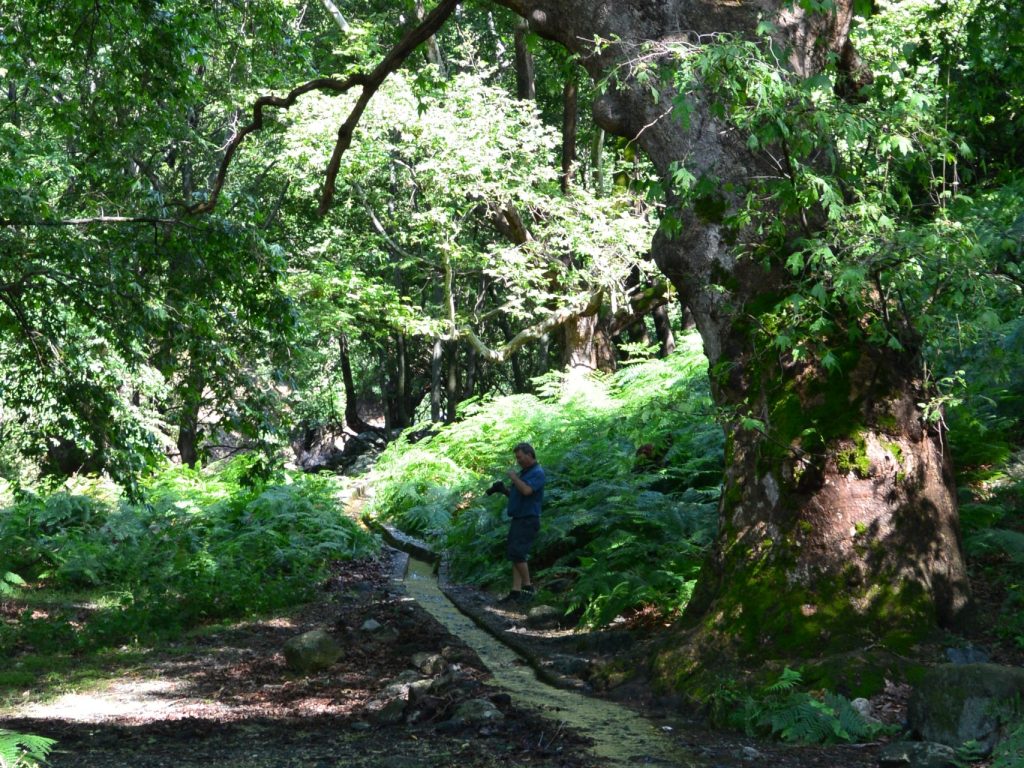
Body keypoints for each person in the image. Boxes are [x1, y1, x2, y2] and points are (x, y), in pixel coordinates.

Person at [493, 442, 545, 605]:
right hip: (519, 518)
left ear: (529, 455)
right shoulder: (525, 472)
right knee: (514, 554)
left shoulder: (537, 472)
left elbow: (527, 491)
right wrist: (504, 490)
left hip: (528, 519)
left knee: (518, 553)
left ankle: (528, 588)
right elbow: (518, 495)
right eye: (517, 458)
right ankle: (515, 591)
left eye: (520, 457)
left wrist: (514, 478)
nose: (518, 461)